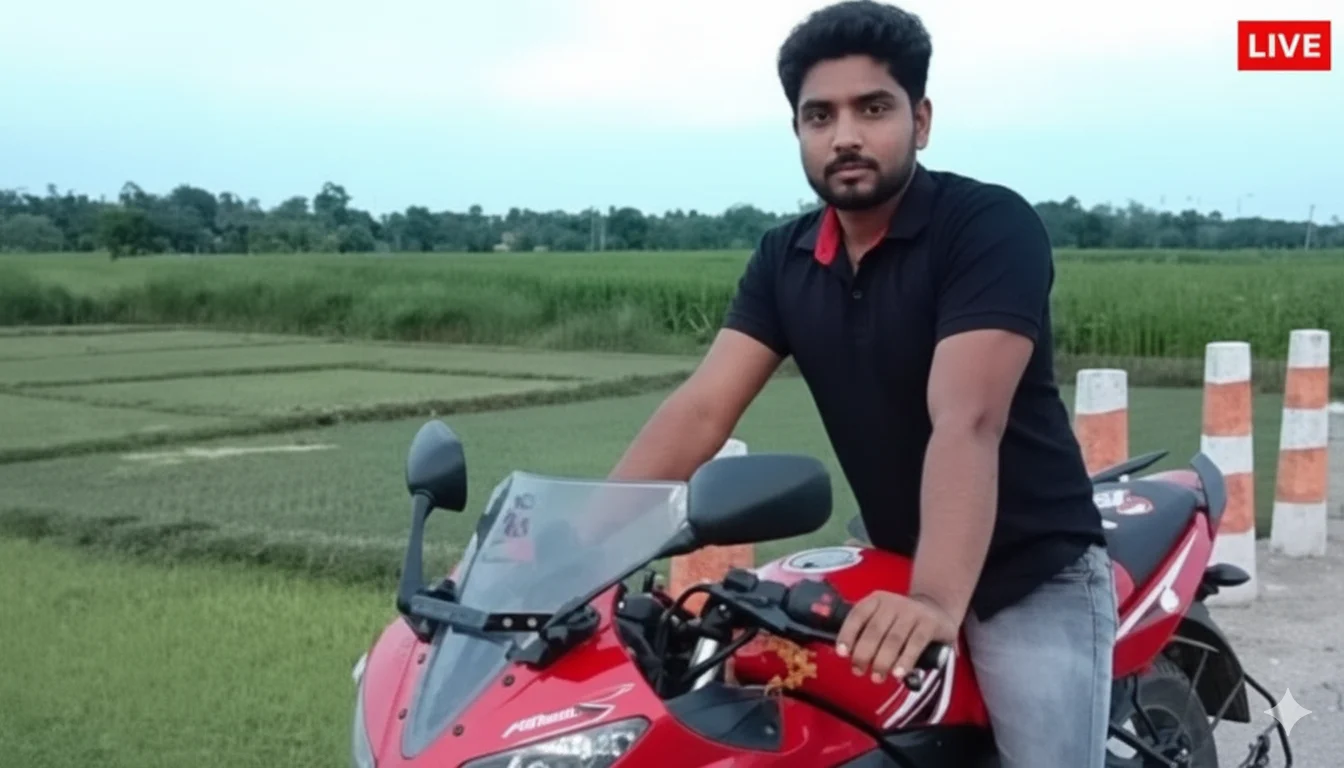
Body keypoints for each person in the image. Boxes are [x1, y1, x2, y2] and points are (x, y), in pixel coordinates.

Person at [606, 2, 1117, 766]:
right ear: (798, 131)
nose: (845, 135)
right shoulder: (784, 259)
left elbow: (967, 420)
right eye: (820, 116)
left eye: (872, 109)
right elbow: (703, 408)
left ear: (921, 120)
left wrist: (935, 600)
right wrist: (578, 547)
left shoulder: (985, 227)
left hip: (1030, 572)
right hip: (895, 562)